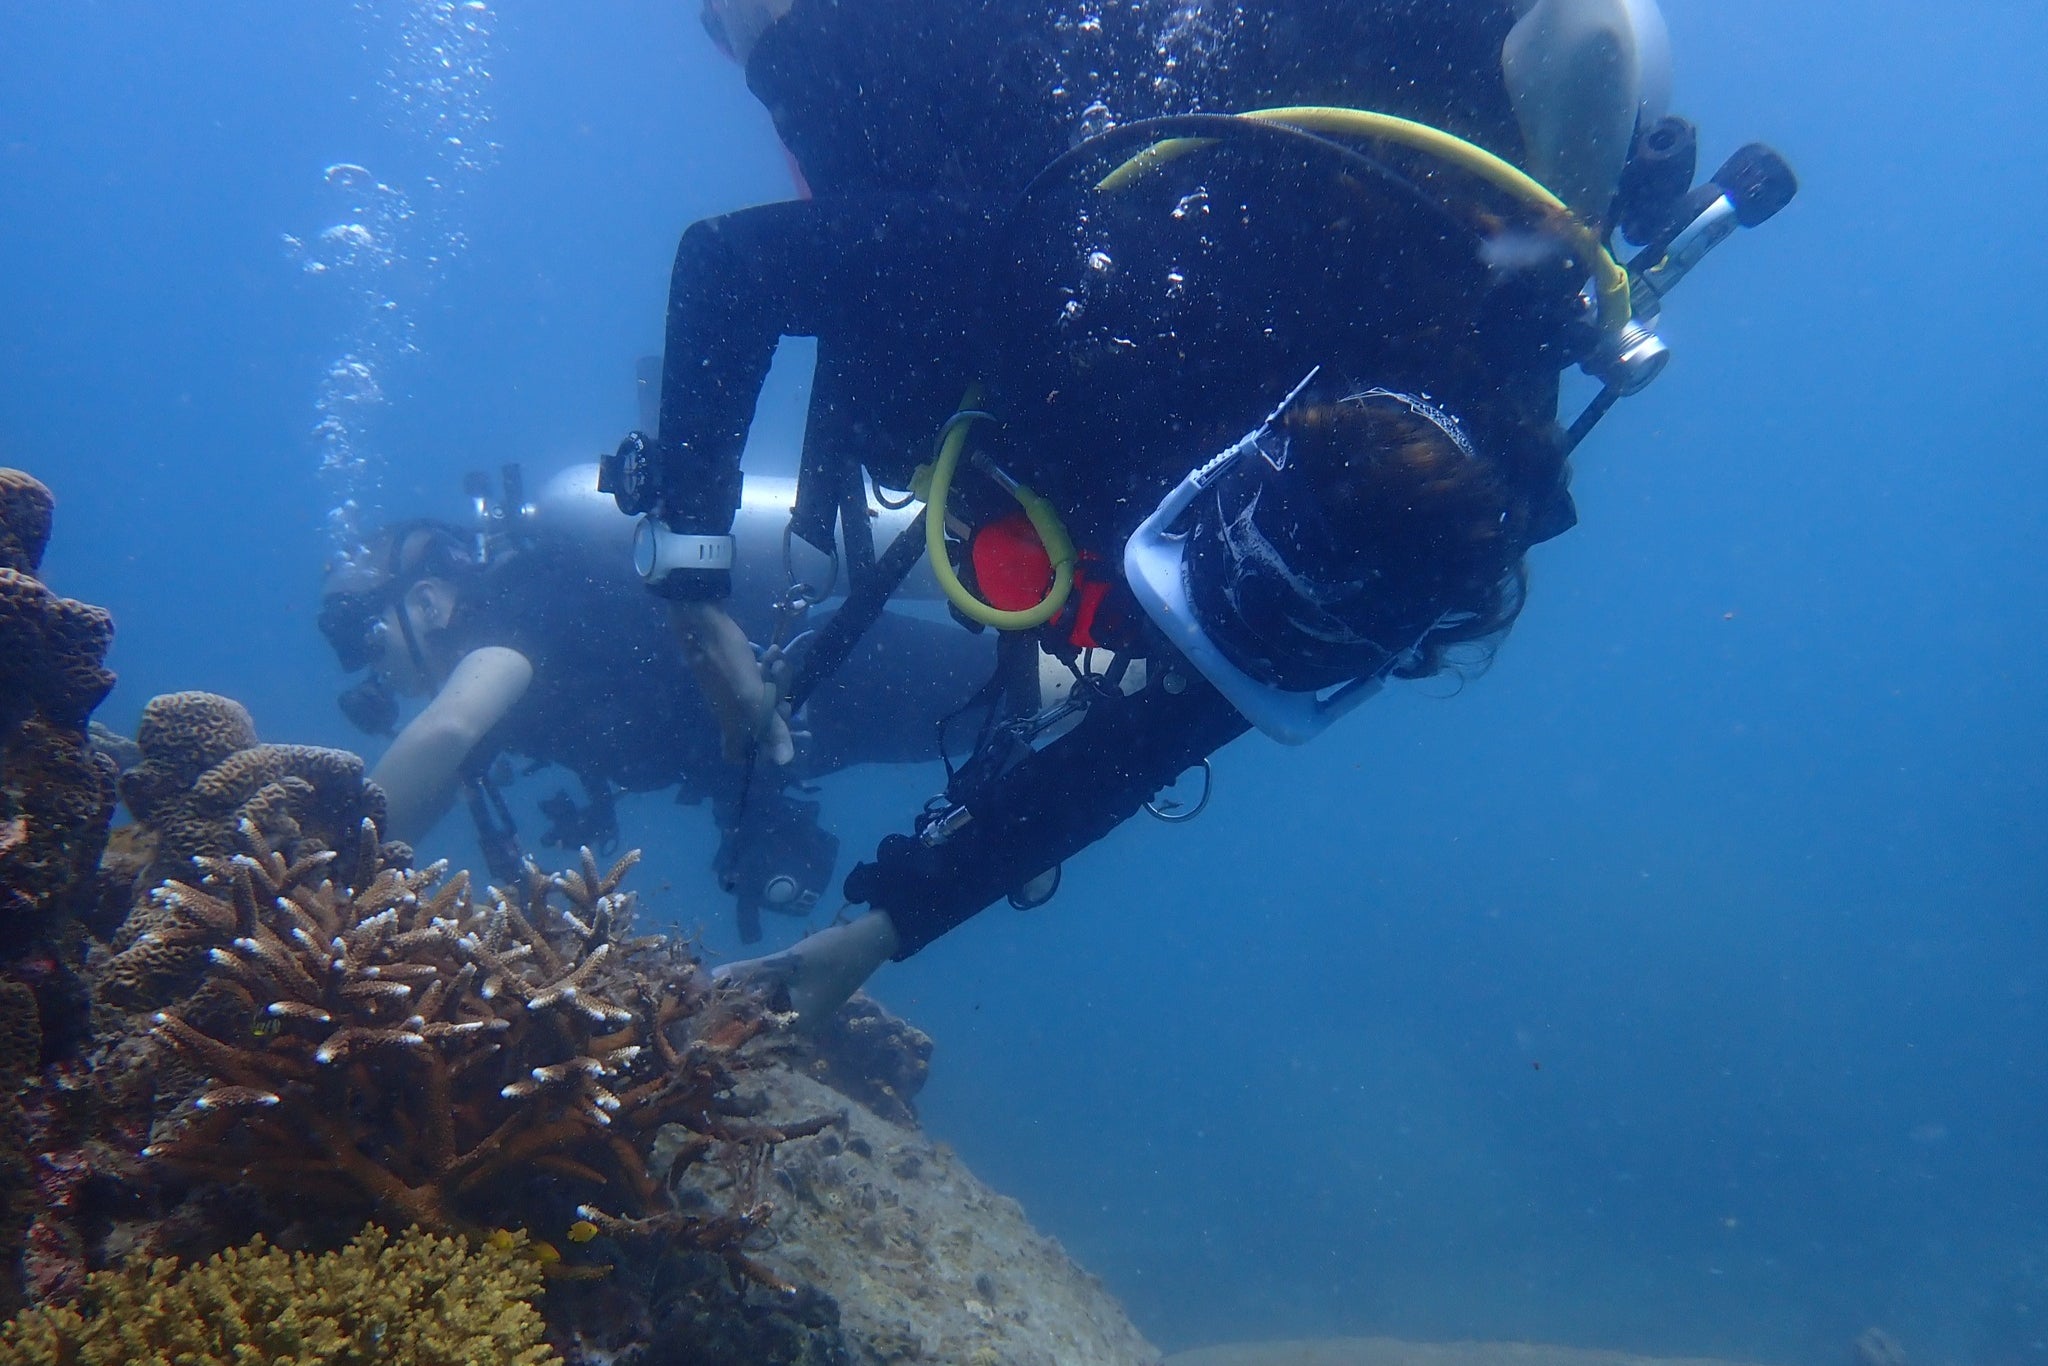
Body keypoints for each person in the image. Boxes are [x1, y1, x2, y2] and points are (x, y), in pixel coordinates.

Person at [602, 0, 1793, 1018]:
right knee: (795, 39)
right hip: (1219, 181)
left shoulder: (1395, 561)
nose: (1193, 650)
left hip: (1398, 173)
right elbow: (732, 262)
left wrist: (883, 929)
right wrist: (695, 591)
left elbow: (1163, 727)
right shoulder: (1114, 285)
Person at [318, 468, 992, 940]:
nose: (380, 674)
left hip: (834, 675)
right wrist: (357, 877)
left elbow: (445, 732)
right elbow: (429, 785)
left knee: (1037, 682)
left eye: (375, 644)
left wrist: (312, 881)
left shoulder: (509, 607)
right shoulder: (507, 633)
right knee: (1018, 697)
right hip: (806, 710)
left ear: (430, 600)